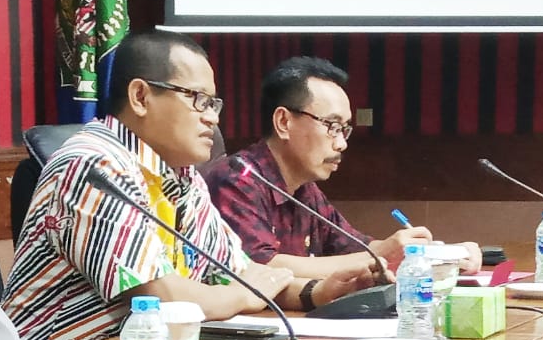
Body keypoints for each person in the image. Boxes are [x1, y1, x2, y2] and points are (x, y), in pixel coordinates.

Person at [1, 31, 369, 340]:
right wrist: (241, 296)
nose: (213, 118)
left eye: (214, 104)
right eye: (199, 100)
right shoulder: (95, 165)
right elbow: (161, 298)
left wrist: (317, 293)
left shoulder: (183, 179)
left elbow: (239, 272)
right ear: (141, 96)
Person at [203, 56, 482, 281]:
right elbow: (261, 267)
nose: (342, 144)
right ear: (284, 122)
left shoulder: (304, 189)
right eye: (332, 127)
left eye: (345, 130)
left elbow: (354, 247)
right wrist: (382, 255)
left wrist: (443, 254)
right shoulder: (237, 179)